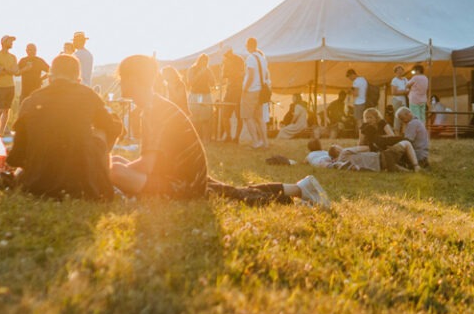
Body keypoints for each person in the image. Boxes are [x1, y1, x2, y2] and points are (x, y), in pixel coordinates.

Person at [109, 55, 330, 209]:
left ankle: (300, 189)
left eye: (122, 79)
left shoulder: (156, 111)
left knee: (116, 171)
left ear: (133, 79)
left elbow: (147, 165)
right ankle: (299, 189)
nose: (121, 84)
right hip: (184, 175)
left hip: (185, 183)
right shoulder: (153, 108)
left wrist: (113, 173)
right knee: (234, 192)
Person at [6, 53, 123, 200]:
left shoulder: (29, 101)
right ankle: (100, 180)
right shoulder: (87, 94)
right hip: (81, 184)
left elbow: (16, 157)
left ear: (49, 79)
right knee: (106, 128)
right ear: (78, 80)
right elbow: (112, 127)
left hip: (35, 184)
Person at [241, 37, 271, 148]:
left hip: (251, 90)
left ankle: (255, 141)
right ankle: (265, 142)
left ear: (248, 46)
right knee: (259, 117)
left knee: (247, 116)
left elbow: (251, 75)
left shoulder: (250, 58)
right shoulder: (262, 58)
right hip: (260, 90)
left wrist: (245, 89)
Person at [0, 35, 19, 135]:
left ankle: (1, 133)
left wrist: (5, 69)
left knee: (7, 110)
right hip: (1, 86)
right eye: (10, 41)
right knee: (0, 109)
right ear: (3, 42)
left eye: (12, 41)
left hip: (11, 86)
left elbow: (16, 71)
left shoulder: (13, 57)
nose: (11, 43)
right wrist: (8, 70)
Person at [186, 53, 216, 141]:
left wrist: (209, 74)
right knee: (194, 117)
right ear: (199, 61)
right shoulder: (192, 69)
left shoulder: (208, 70)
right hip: (195, 94)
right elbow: (191, 82)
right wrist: (200, 73)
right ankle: (194, 138)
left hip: (205, 95)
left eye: (206, 61)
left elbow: (213, 83)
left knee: (206, 118)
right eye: (203, 61)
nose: (204, 63)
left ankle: (206, 139)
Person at [219, 48, 245, 142]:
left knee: (239, 116)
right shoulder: (226, 62)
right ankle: (229, 135)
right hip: (229, 90)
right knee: (225, 114)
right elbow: (223, 75)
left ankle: (236, 137)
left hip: (238, 90)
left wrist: (232, 73)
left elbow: (242, 73)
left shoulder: (239, 60)